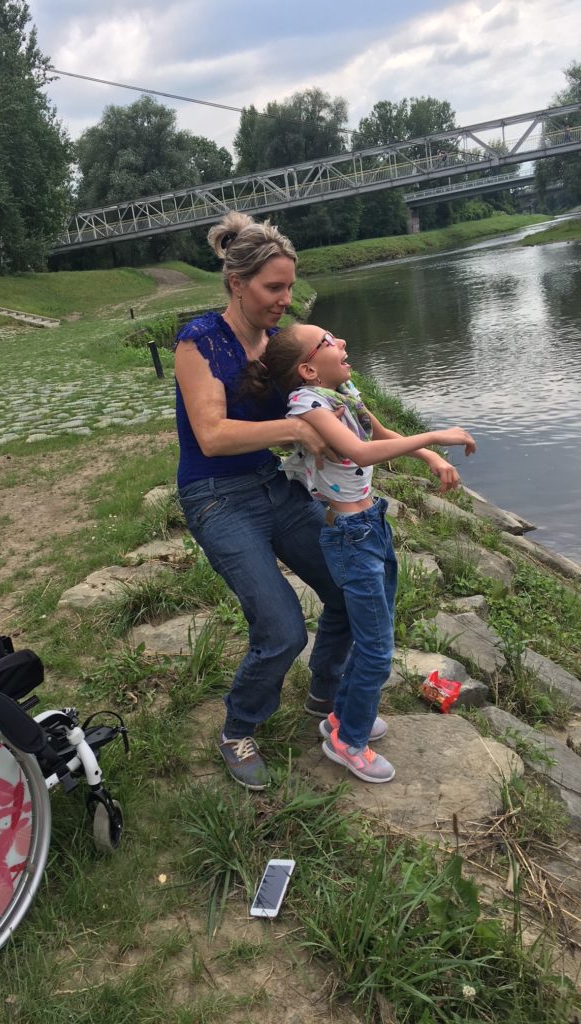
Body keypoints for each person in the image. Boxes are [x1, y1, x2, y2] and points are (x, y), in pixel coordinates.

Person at [243, 322, 475, 782]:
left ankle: (341, 717)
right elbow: (360, 452)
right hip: (351, 536)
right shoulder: (307, 404)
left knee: (377, 632)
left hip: (372, 524)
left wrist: (427, 457)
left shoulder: (343, 393)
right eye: (328, 341)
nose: (342, 342)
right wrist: (433, 437)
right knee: (376, 649)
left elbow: (378, 433)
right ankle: (348, 742)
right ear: (308, 369)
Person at [174, 211, 353, 791]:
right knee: (281, 629)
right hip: (215, 497)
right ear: (237, 283)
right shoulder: (199, 340)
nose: (286, 300)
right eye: (274, 288)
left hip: (273, 485)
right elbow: (211, 435)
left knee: (349, 588)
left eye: (290, 287)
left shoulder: (278, 345)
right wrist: (295, 430)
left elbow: (321, 397)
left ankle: (324, 692)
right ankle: (238, 728)